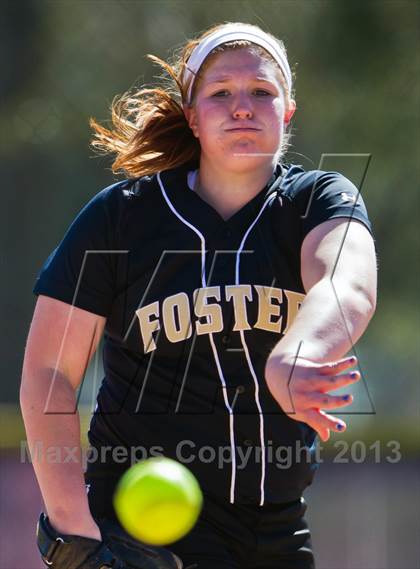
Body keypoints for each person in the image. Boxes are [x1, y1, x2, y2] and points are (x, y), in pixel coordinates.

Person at [20, 21, 377, 569]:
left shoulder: (319, 200)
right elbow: (50, 371)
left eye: (262, 91)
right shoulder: (123, 217)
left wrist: (295, 354)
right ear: (192, 116)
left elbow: (345, 282)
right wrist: (75, 535)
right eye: (220, 94)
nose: (242, 107)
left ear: (288, 112)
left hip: (274, 524)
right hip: (137, 534)